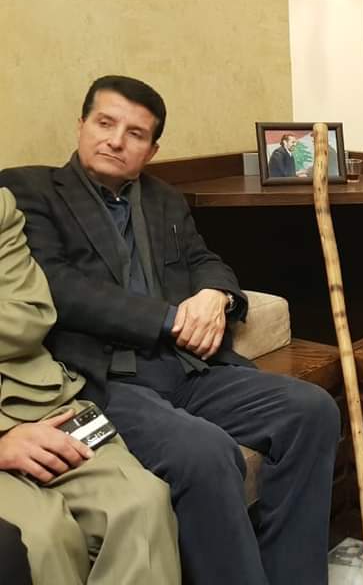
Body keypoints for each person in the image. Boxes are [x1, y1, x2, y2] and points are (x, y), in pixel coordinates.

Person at [0, 75, 340, 585]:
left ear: (152, 150)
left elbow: (205, 260)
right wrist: (170, 318)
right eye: (105, 123)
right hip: (106, 382)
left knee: (312, 410)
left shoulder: (164, 199)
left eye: (135, 134)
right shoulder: (30, 190)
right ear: (82, 124)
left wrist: (217, 295)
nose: (116, 140)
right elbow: (59, 288)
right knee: (203, 453)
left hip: (188, 368)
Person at [0, 186, 179, 584]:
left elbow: (29, 315)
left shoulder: (1, 207)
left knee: (141, 502)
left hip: (38, 399)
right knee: (43, 538)